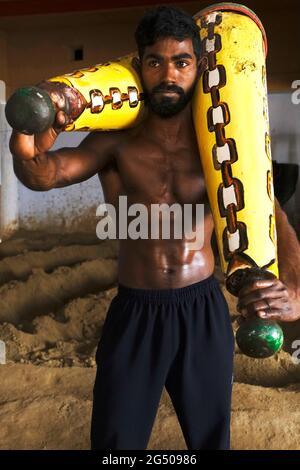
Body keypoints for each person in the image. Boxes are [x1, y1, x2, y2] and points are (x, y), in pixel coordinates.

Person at [9, 6, 300, 450]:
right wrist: (25, 144)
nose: (168, 74)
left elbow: (271, 213)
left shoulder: (221, 142)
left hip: (202, 309)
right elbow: (46, 174)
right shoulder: (114, 139)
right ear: (139, 65)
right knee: (115, 442)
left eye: (181, 62)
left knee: (210, 441)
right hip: (135, 311)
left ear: (197, 67)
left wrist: (294, 288)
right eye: (155, 61)